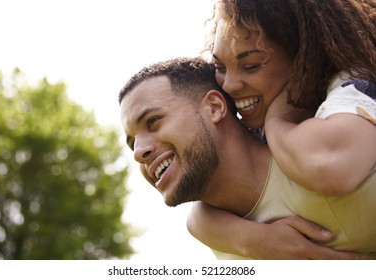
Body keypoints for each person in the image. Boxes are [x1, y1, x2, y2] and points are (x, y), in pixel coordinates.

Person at [118, 57, 375, 259]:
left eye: (153, 122)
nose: (139, 152)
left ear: (215, 107)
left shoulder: (329, 140)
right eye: (132, 144)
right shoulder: (227, 246)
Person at [187, 0, 376, 259]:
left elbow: (332, 168)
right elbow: (200, 214)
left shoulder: (358, 85)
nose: (228, 85)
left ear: (305, 54)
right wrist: (254, 240)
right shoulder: (255, 119)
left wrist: (278, 120)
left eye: (251, 65)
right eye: (220, 67)